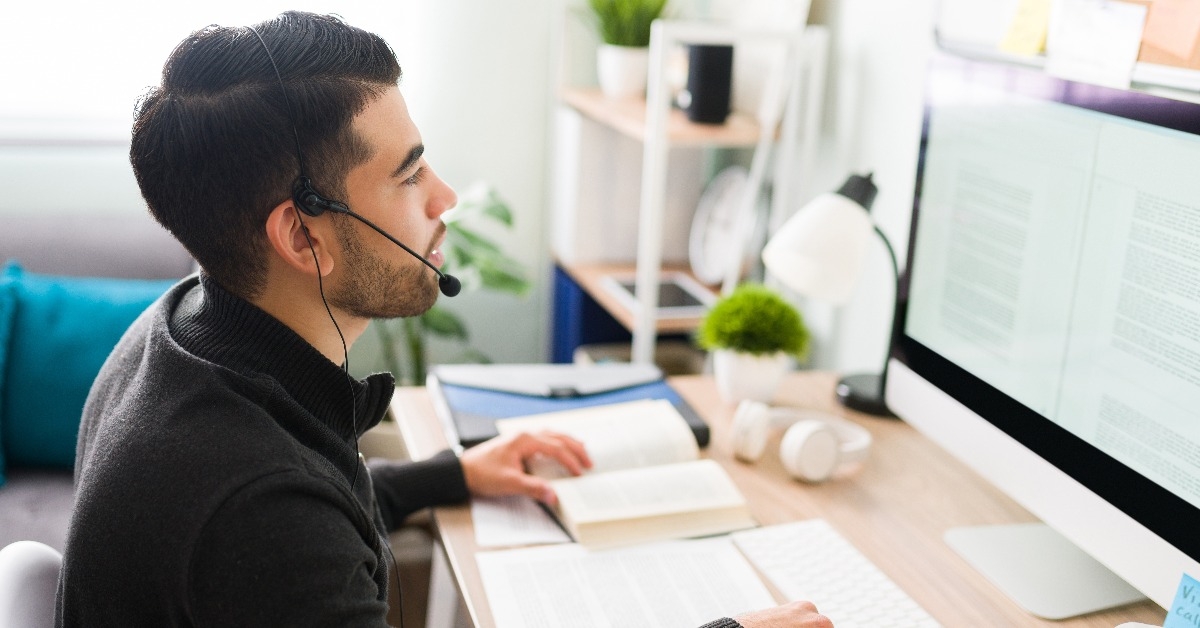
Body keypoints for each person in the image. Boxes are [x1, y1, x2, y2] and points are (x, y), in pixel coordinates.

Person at [55, 11, 833, 628]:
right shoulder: (259, 513)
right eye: (409, 175)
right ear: (302, 236)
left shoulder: (181, 329)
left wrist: (454, 474)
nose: (446, 198)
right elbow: (280, 520)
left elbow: (312, 491)